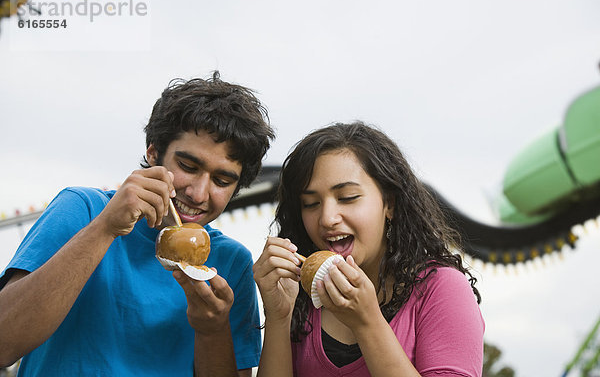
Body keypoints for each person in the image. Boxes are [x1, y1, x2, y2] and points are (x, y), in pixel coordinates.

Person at [0, 71, 275, 377]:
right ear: (153, 152)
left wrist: (212, 329)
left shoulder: (231, 263)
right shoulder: (83, 210)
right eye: (187, 166)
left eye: (222, 181)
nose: (198, 193)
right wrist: (105, 229)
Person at [253, 121, 484, 376]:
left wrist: (367, 322)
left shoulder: (440, 288)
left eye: (348, 198)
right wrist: (278, 317)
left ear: (390, 204)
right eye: (310, 203)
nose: (327, 218)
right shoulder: (300, 294)